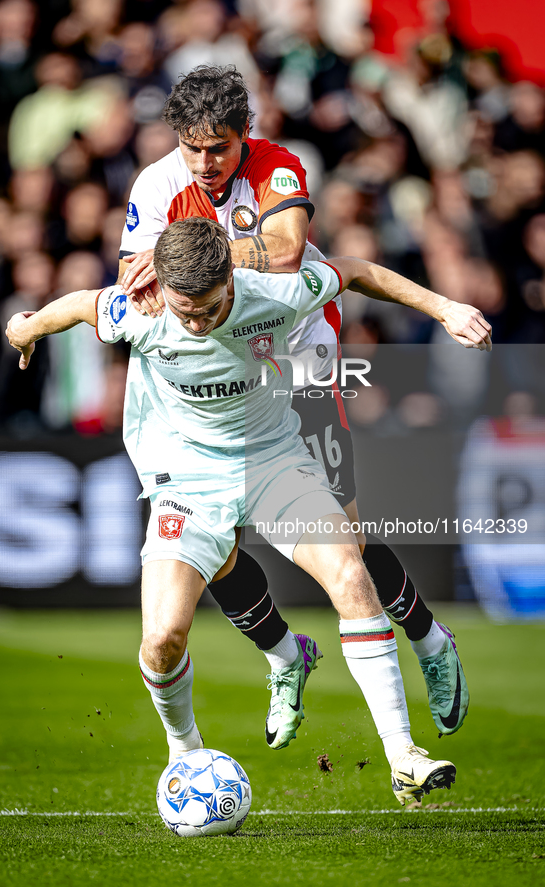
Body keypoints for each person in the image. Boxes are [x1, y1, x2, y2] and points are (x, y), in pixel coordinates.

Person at [6, 217, 492, 805]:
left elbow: (358, 272)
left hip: (274, 460)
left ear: (231, 281)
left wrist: (445, 309)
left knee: (349, 575)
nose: (194, 324)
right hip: (186, 476)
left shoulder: (278, 292)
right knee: (162, 639)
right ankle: (186, 753)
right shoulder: (139, 307)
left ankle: (402, 755)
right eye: (184, 311)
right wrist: (27, 327)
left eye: (207, 310)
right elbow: (81, 304)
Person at [117, 66, 477, 744]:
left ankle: (429, 638)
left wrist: (193, 257)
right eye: (191, 147)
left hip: (299, 352)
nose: (204, 163)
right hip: (210, 364)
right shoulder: (154, 183)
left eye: (218, 147)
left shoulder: (280, 165)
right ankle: (285, 654)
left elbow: (285, 256)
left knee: (344, 534)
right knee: (210, 539)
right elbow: (133, 285)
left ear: (243, 135)